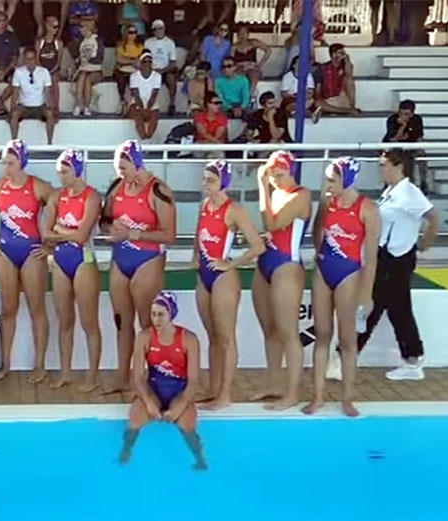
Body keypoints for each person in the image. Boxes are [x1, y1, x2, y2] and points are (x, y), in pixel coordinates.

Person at [102, 140, 177, 394]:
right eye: (118, 169)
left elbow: (170, 235)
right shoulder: (117, 187)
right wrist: (111, 229)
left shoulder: (158, 191)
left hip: (148, 259)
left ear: (137, 164)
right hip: (121, 258)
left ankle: (149, 379)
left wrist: (134, 234)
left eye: (124, 168)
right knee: (122, 322)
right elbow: (105, 220)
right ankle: (122, 377)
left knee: (148, 324)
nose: (121, 174)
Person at [0, 139, 52, 383]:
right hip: (6, 252)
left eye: (10, 163)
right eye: (4, 162)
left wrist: (50, 244)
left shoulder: (38, 186)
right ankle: (5, 363)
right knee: (8, 310)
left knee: (36, 309)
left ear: (22, 163)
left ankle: (40, 365)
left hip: (32, 252)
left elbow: (61, 207)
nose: (6, 167)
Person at [308, 157, 379, 416]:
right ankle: (317, 396)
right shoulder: (328, 203)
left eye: (332, 180)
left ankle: (347, 398)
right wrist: (319, 250)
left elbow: (371, 258)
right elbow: (317, 234)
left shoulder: (367, 209)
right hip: (323, 270)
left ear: (346, 179)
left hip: (349, 274)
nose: (327, 184)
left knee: (348, 340)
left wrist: (366, 295)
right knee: (322, 335)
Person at [359, 148, 438, 382]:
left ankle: (348, 354)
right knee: (398, 309)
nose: (381, 169)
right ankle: (412, 357)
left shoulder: (409, 193)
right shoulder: (390, 192)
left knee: (374, 305)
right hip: (386, 255)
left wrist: (424, 242)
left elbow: (433, 216)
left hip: (397, 258)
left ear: (399, 166)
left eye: (384, 165)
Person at [193, 160, 265, 411]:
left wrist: (232, 263)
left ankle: (225, 394)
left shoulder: (234, 210)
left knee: (226, 338)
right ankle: (213, 390)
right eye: (205, 179)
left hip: (223, 278)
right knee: (212, 337)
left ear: (223, 182)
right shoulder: (205, 205)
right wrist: (195, 256)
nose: (206, 184)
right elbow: (199, 234)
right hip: (204, 274)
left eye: (211, 180)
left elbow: (258, 246)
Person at [120, 292, 206, 470]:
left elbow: (193, 382)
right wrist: (148, 401)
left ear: (171, 314)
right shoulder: (144, 337)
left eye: (161, 314)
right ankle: (125, 453)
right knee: (135, 420)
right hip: (154, 389)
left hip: (179, 391)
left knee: (188, 426)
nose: (156, 320)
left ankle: (200, 459)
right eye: (153, 314)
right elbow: (138, 377)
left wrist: (181, 405)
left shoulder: (189, 339)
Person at [252, 149, 311, 411]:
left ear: (291, 172)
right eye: (273, 175)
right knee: (270, 331)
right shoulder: (276, 193)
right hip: (265, 263)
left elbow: (273, 223)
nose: (276, 180)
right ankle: (274, 384)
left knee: (288, 333)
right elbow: (272, 230)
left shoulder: (301, 195)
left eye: (281, 175)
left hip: (287, 266)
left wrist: (261, 185)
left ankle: (293, 392)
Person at [44, 148, 103, 391]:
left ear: (77, 171)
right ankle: (66, 373)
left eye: (65, 172)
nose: (61, 177)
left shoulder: (92, 197)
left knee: (89, 322)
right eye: (59, 172)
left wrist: (60, 230)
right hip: (60, 261)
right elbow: (45, 234)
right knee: (64, 321)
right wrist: (65, 233)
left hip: (83, 261)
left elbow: (81, 237)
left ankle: (92, 376)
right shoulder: (56, 197)